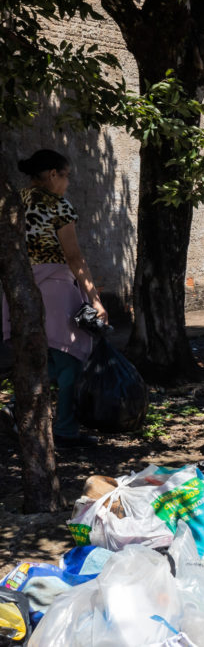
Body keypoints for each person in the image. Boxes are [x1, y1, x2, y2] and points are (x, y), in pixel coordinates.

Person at [2, 150, 105, 448]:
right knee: (70, 359)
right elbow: (74, 257)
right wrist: (94, 299)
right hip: (55, 291)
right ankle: (65, 430)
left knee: (33, 358)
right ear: (51, 175)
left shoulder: (11, 203)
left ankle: (19, 414)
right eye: (66, 175)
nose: (68, 182)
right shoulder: (59, 206)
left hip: (17, 289)